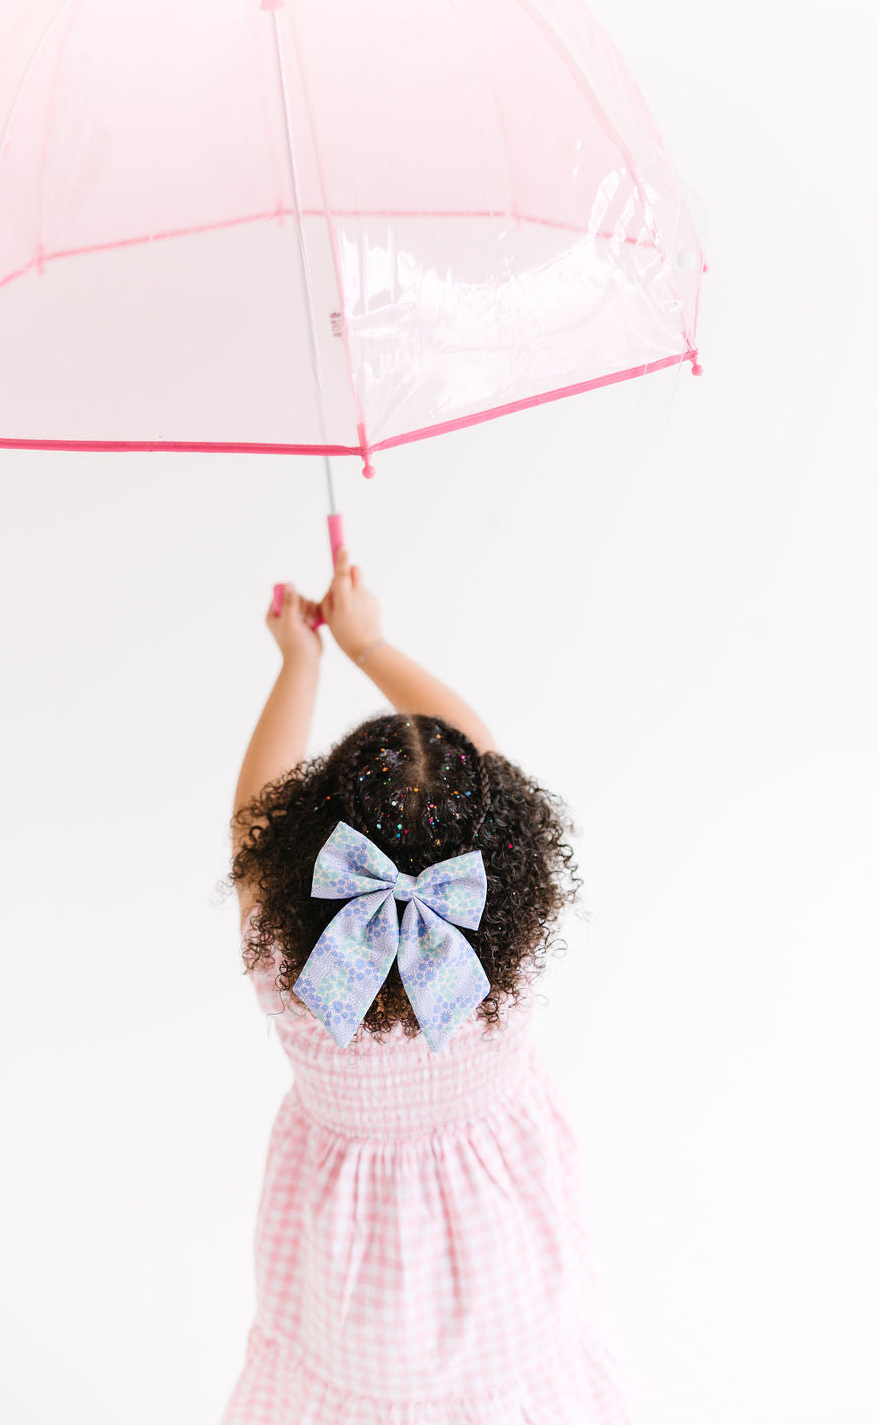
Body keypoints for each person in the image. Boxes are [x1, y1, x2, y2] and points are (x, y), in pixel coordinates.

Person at [219, 544, 636, 1424]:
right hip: (507, 1263)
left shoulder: (290, 966)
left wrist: (302, 661)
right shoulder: (501, 942)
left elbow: (249, 818)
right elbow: (479, 744)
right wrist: (371, 645)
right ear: (500, 842)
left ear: (315, 848)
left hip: (352, 1284)